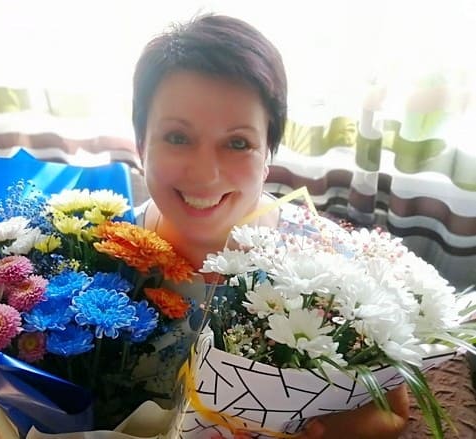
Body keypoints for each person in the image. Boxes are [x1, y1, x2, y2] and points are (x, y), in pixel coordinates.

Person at [132, 13, 409, 439]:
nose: (205, 174)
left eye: (237, 143)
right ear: (140, 146)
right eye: (177, 137)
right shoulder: (100, 247)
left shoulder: (326, 265)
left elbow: (392, 413)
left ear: (268, 157)